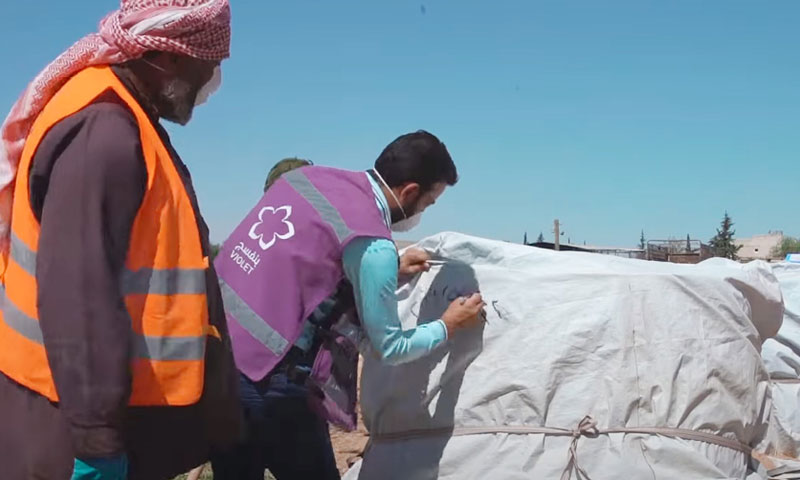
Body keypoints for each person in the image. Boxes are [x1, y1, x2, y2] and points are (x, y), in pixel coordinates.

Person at [0, 2, 240, 480]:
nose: (210, 82)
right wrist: (97, 443)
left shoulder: (119, 113)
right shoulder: (105, 131)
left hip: (68, 408)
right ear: (170, 57)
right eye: (209, 65)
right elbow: (78, 295)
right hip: (68, 428)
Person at [212, 131, 486, 480]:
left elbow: (300, 259)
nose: (423, 212)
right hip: (269, 383)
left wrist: (389, 270)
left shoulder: (307, 180)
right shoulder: (372, 243)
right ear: (410, 192)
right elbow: (391, 346)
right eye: (428, 203)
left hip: (216, 359)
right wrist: (448, 324)